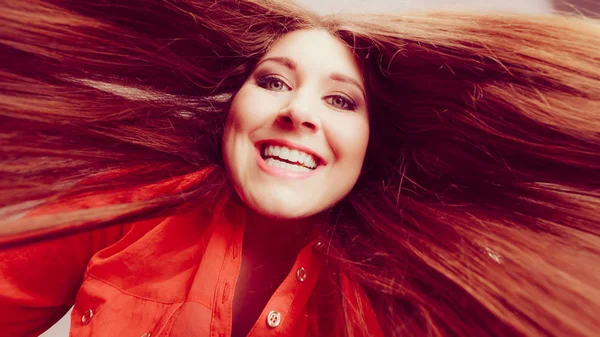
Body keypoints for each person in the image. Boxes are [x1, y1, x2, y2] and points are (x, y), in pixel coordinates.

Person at [0, 0, 599, 336]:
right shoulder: (129, 204)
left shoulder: (410, 286)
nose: (297, 111)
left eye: (341, 100)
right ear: (231, 108)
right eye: (274, 81)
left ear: (374, 140)